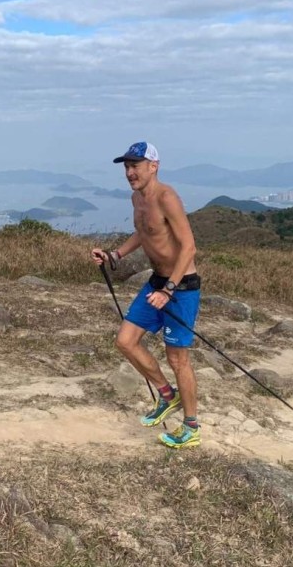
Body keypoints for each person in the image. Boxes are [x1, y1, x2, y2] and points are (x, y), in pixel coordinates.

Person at [92, 142, 202, 449]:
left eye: (135, 166)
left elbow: (189, 247)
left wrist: (169, 291)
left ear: (153, 166)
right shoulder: (136, 198)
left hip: (181, 286)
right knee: (125, 341)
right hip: (157, 281)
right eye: (126, 167)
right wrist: (116, 255)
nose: (129, 173)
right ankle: (168, 396)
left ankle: (191, 427)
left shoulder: (167, 197)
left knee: (178, 359)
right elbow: (145, 231)